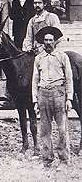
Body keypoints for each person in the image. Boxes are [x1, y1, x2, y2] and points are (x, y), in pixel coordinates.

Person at [32, 26, 72, 168]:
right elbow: (35, 80)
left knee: (62, 128)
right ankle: (47, 159)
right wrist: (35, 100)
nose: (48, 43)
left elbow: (69, 78)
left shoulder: (62, 57)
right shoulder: (38, 58)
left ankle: (63, 158)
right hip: (43, 94)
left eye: (50, 40)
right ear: (42, 42)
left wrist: (69, 98)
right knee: (45, 129)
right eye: (46, 40)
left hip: (59, 94)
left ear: (55, 42)